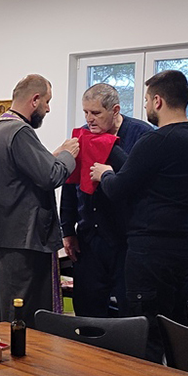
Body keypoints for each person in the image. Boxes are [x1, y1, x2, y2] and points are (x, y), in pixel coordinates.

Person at [92, 70, 188, 362]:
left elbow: (119, 189)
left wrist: (104, 174)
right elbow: (146, 174)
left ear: (158, 101)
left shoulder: (155, 141)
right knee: (175, 328)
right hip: (187, 247)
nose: (145, 106)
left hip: (153, 252)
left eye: (146, 100)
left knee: (147, 333)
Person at [0, 74, 79, 327]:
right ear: (35, 100)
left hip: (1, 234)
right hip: (22, 240)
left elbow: (22, 172)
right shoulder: (20, 131)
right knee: (21, 312)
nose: (48, 109)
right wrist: (67, 156)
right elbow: (51, 176)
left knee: (1, 307)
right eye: (47, 102)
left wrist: (52, 156)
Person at [60, 84, 153, 316]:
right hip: (90, 238)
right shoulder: (83, 134)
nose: (89, 119)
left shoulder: (142, 135)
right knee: (87, 309)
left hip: (126, 239)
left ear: (115, 110)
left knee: (129, 311)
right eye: (85, 112)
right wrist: (67, 230)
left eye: (96, 113)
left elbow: (143, 186)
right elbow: (70, 186)